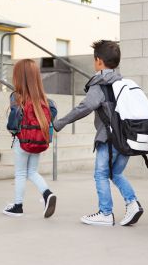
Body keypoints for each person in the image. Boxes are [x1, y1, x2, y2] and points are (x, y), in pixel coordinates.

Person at [53, 40, 143, 227]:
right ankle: (132, 203)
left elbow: (85, 106)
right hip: (127, 136)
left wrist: (60, 123)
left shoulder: (100, 83)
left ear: (99, 61)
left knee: (101, 174)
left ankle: (105, 213)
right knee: (116, 173)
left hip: (109, 138)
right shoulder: (123, 82)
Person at [3, 59, 58, 218]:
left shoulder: (16, 97)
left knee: (20, 173)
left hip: (22, 142)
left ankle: (18, 206)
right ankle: (47, 194)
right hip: (38, 140)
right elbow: (52, 114)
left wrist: (12, 129)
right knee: (32, 172)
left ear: (18, 77)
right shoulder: (45, 100)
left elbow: (13, 123)